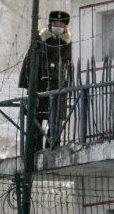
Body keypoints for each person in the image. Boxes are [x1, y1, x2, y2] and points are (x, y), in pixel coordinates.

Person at [19, 10, 73, 150]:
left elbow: (69, 66)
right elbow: (29, 62)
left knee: (55, 122)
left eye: (61, 23)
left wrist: (69, 85)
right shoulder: (40, 39)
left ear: (65, 26)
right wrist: (30, 84)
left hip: (59, 88)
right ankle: (35, 150)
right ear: (50, 24)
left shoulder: (68, 43)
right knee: (37, 119)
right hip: (40, 86)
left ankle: (52, 149)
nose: (58, 26)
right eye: (55, 23)